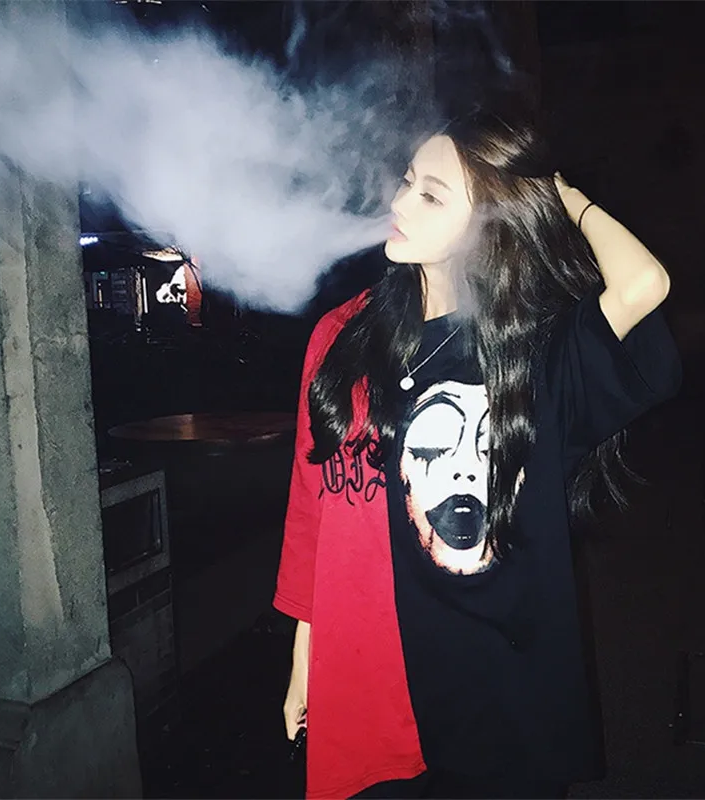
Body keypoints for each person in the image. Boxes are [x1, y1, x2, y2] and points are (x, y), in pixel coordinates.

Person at [273, 108, 682, 800]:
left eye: (432, 196)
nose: (401, 202)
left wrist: (562, 196)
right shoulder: (344, 337)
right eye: (407, 181)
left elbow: (644, 286)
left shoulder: (533, 350)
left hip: (502, 692)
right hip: (380, 679)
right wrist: (303, 662)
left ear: (488, 224)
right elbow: (314, 511)